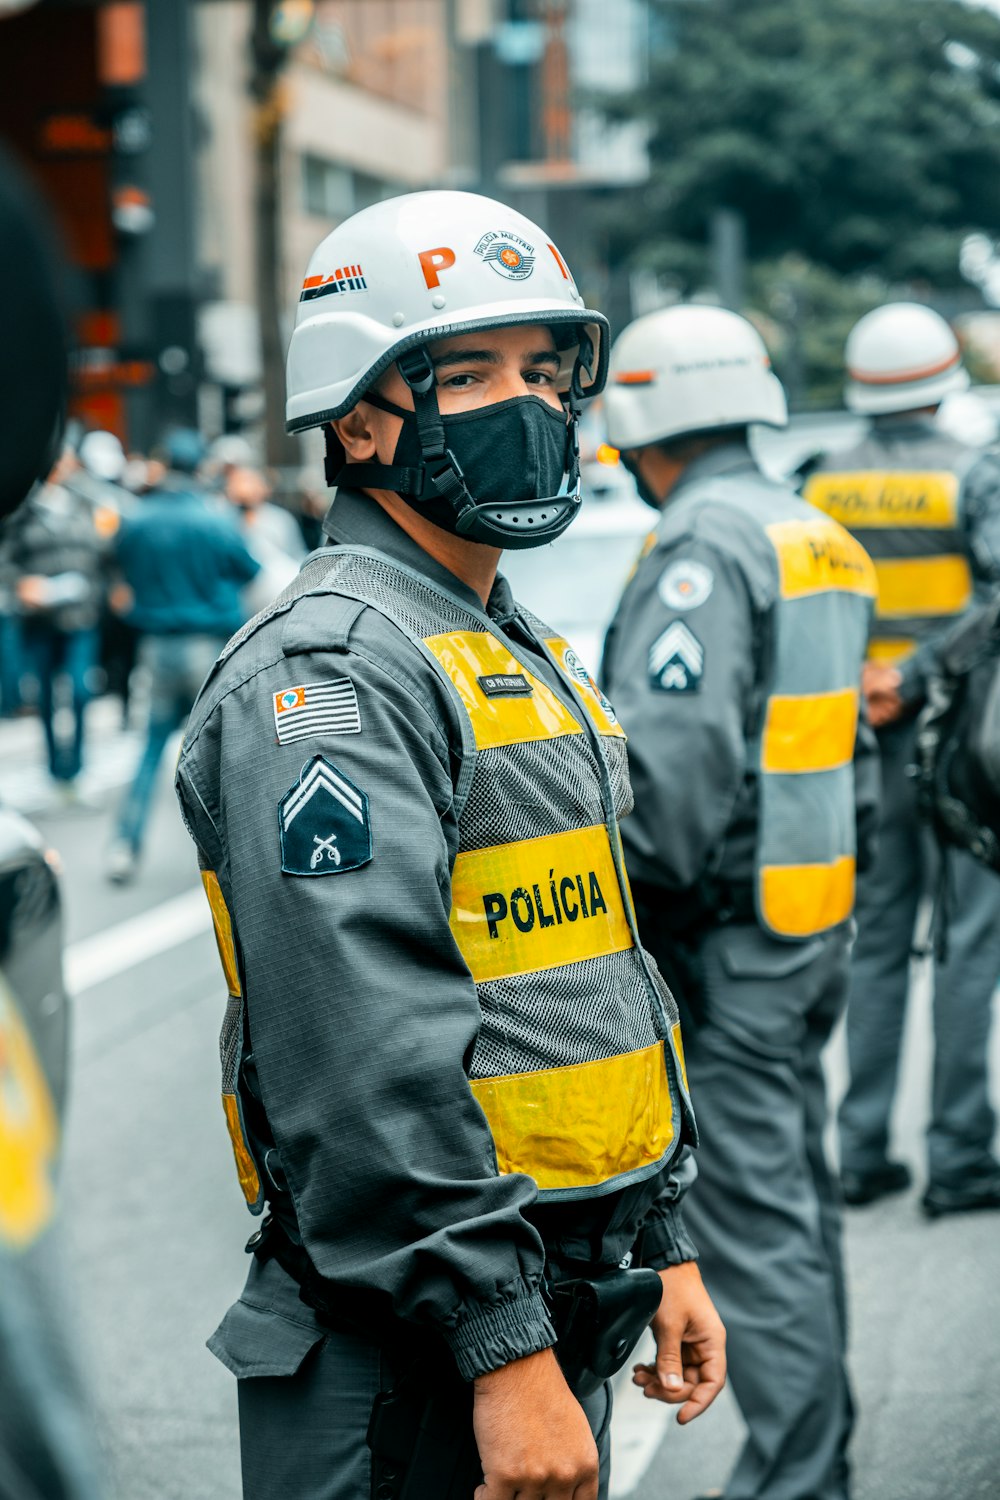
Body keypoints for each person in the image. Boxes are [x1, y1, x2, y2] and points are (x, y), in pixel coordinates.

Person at [175, 190, 726, 1500]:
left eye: (546, 370)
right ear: (357, 418)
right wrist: (502, 1350)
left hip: (549, 1295)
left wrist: (663, 1238)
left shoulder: (504, 643)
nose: (529, 404)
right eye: (470, 374)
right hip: (413, 1353)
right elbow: (362, 1048)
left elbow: (593, 977)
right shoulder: (330, 674)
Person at [601, 305, 879, 1500]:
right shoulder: (815, 533)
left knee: (758, 1229)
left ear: (639, 422)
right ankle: (815, 1458)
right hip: (808, 921)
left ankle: (799, 1479)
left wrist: (636, 921)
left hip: (729, 940)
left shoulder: (702, 546)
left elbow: (674, 773)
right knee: (796, 1212)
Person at [802, 302, 1000, 1218]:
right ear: (944, 375)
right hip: (961, 749)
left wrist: (872, 679)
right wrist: (919, 674)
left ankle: (859, 1150)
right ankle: (959, 1158)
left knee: (876, 945)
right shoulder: (977, 474)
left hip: (861, 739)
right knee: (967, 945)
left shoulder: (821, 482)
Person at [105, 429, 260, 883]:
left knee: (151, 747)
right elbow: (248, 569)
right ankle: (249, 855)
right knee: (232, 750)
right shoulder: (213, 519)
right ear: (199, 467)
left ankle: (124, 845)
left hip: (155, 647)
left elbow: (115, 566)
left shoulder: (134, 518)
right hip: (208, 647)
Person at [3, 444, 108, 800]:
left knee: (80, 690)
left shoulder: (84, 502)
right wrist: (22, 585)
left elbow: (100, 554)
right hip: (40, 618)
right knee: (46, 694)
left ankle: (76, 764)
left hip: (80, 615)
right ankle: (54, 767)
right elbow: (8, 561)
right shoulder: (23, 509)